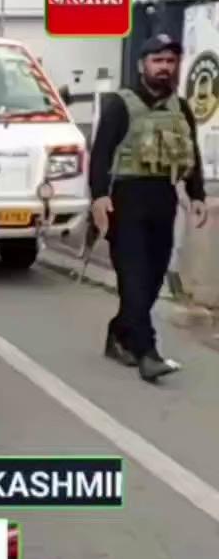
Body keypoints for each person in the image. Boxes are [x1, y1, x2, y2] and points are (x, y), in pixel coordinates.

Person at [90, 33, 207, 383]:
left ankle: (119, 333)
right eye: (158, 61)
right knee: (134, 278)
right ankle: (148, 353)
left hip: (163, 198)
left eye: (170, 61)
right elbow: (100, 155)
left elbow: (192, 153)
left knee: (152, 279)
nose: (164, 68)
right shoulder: (120, 104)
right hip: (125, 200)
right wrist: (98, 196)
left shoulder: (180, 107)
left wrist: (196, 194)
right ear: (143, 64)